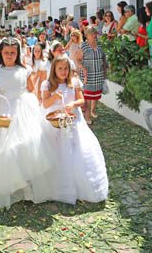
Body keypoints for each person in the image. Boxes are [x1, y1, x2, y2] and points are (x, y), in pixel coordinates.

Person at [0, 38, 54, 209]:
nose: (9, 55)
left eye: (13, 53)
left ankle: (27, 187)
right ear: (0, 53)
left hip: (23, 110)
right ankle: (7, 186)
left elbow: (31, 89)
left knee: (28, 144)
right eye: (6, 52)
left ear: (18, 54)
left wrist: (38, 100)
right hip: (3, 110)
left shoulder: (25, 70)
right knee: (3, 149)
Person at [41, 56, 108, 203]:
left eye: (66, 69)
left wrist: (73, 104)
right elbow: (45, 104)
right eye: (60, 69)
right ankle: (56, 184)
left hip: (73, 119)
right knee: (56, 149)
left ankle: (78, 184)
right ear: (54, 70)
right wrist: (54, 97)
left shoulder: (74, 82)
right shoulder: (48, 85)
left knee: (76, 147)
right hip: (55, 121)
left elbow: (81, 99)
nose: (63, 72)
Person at [75, 26, 107, 125]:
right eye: (92, 34)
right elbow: (77, 60)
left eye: (95, 33)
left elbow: (103, 59)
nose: (94, 35)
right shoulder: (83, 46)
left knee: (96, 95)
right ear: (87, 35)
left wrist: (105, 72)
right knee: (88, 98)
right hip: (88, 75)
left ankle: (93, 111)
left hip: (99, 74)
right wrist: (83, 69)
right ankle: (87, 116)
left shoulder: (100, 45)